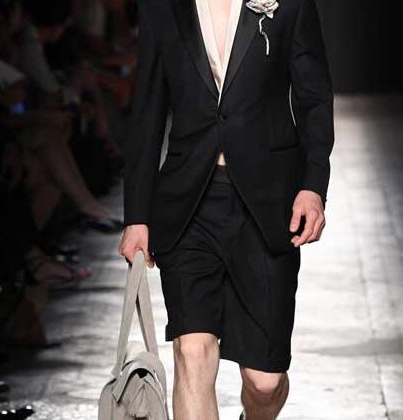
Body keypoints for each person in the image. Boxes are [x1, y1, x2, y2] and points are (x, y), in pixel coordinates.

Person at [119, 0, 334, 418]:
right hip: (188, 203)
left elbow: (314, 99)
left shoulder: (288, 3)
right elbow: (147, 112)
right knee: (192, 353)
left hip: (267, 204)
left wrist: (313, 187)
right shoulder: (163, 8)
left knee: (264, 382)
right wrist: (136, 216)